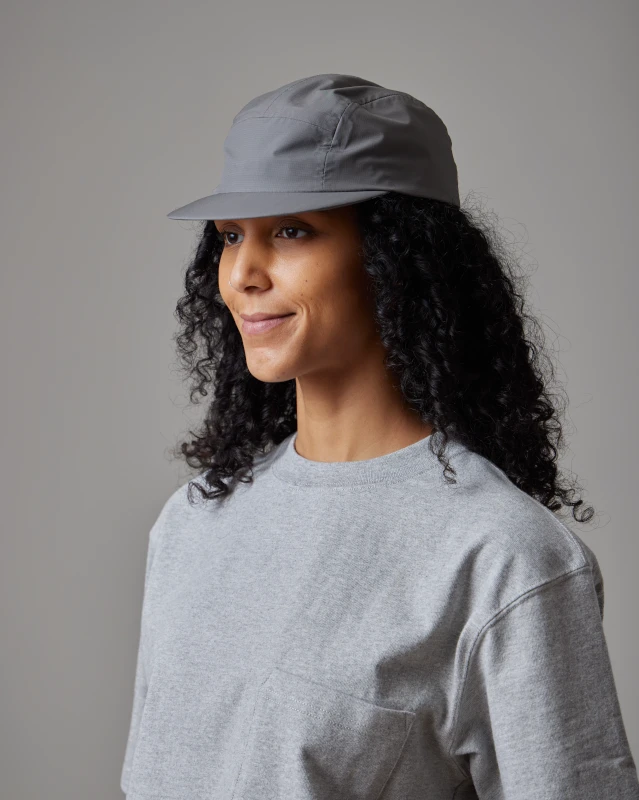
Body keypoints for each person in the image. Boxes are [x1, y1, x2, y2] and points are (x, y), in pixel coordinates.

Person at [120, 74, 639, 799]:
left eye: (292, 230)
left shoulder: (501, 556)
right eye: (231, 237)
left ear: (399, 258)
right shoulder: (193, 523)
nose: (242, 274)